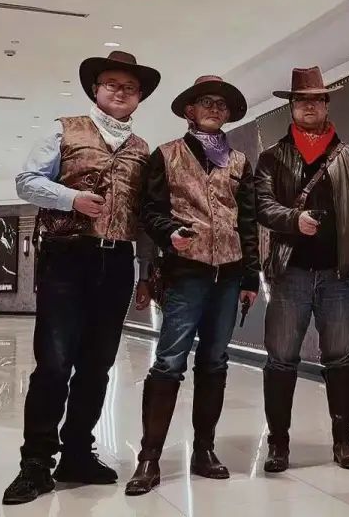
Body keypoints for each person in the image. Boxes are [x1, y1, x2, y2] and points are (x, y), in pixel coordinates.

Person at [6, 51, 159, 505]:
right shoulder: (64, 129)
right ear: (95, 89)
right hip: (67, 258)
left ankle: (77, 452)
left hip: (118, 263)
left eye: (129, 87)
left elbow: (144, 217)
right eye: (111, 84)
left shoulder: (143, 149)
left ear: (139, 97)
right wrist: (70, 199)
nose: (119, 92)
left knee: (97, 365)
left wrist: (147, 272)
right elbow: (27, 181)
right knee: (54, 363)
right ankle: (36, 462)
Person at [125, 76, 259, 495]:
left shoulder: (239, 162)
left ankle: (204, 450)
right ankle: (149, 458)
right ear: (189, 111)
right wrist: (170, 234)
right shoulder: (166, 155)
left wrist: (251, 275)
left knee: (215, 362)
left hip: (229, 274)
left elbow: (248, 222)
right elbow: (149, 210)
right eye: (206, 102)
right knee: (169, 362)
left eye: (221, 104)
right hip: (185, 273)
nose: (214, 109)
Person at [255, 66, 349, 472]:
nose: (309, 106)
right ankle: (278, 444)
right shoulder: (272, 157)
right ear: (292, 106)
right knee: (281, 359)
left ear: (326, 104)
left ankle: (344, 442)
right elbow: (262, 206)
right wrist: (294, 219)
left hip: (336, 276)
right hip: (290, 273)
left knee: (340, 359)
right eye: (302, 100)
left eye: (316, 100)